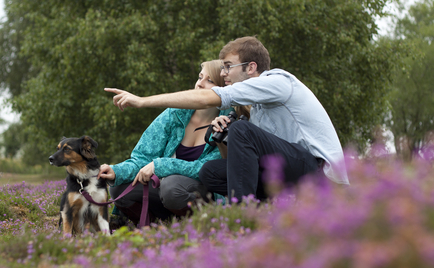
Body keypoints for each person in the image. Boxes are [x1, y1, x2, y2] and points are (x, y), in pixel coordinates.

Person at [104, 36, 349, 201]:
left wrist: (142, 101)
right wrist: (223, 140)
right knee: (212, 171)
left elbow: (212, 97)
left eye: (228, 66)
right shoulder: (256, 109)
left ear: (251, 67)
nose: (224, 73)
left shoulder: (278, 82)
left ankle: (239, 217)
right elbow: (242, 162)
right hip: (287, 171)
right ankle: (261, 210)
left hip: (319, 172)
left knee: (242, 130)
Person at [98, 60, 232, 226]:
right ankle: (155, 226)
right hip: (165, 193)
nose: (200, 84)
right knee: (120, 186)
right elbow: (144, 157)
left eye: (210, 81)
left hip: (200, 192)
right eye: (199, 77)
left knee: (172, 187)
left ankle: (201, 224)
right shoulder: (174, 113)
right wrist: (116, 171)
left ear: (224, 89)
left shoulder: (227, 122)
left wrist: (161, 165)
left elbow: (207, 169)